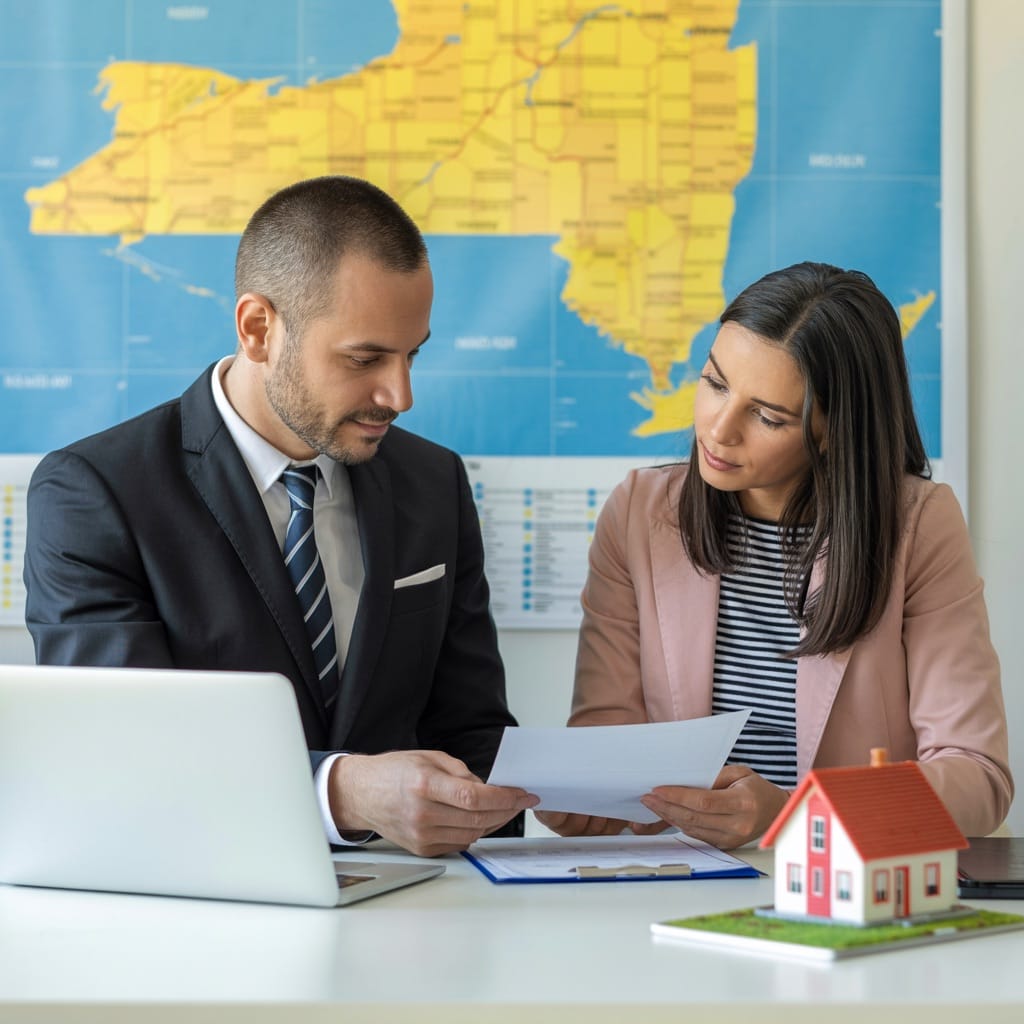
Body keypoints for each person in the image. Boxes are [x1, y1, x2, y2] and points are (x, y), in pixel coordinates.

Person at [23, 175, 538, 857]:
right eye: (365, 358)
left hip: (419, 922)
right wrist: (341, 794)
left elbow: (472, 732)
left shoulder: (432, 482)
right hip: (203, 914)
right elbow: (121, 760)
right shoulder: (95, 492)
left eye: (412, 354)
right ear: (258, 328)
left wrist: (584, 804)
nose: (400, 394)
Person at [538, 261, 1012, 847]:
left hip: (839, 879)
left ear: (833, 429)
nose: (718, 429)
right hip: (679, 875)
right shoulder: (638, 512)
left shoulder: (917, 524)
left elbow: (977, 777)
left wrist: (794, 816)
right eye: (715, 384)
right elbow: (606, 736)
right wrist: (586, 797)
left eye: (767, 416)